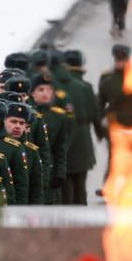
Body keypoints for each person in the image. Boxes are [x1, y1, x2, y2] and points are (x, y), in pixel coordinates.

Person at [63, 49, 102, 206]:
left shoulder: (58, 87)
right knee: (80, 182)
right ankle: (81, 213)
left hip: (65, 136)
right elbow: (95, 114)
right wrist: (100, 133)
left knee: (65, 181)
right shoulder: (86, 87)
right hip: (82, 138)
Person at [98, 44, 132, 190]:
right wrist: (100, 127)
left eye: (123, 59)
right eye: (118, 59)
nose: (120, 62)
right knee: (114, 156)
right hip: (115, 124)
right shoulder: (107, 78)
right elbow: (100, 102)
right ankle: (109, 186)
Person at [31, 74, 71, 203]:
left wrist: (60, 173)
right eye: (41, 90)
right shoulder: (27, 115)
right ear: (32, 93)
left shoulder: (59, 116)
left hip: (50, 168)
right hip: (31, 167)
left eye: (48, 90)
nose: (45, 93)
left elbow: (60, 147)